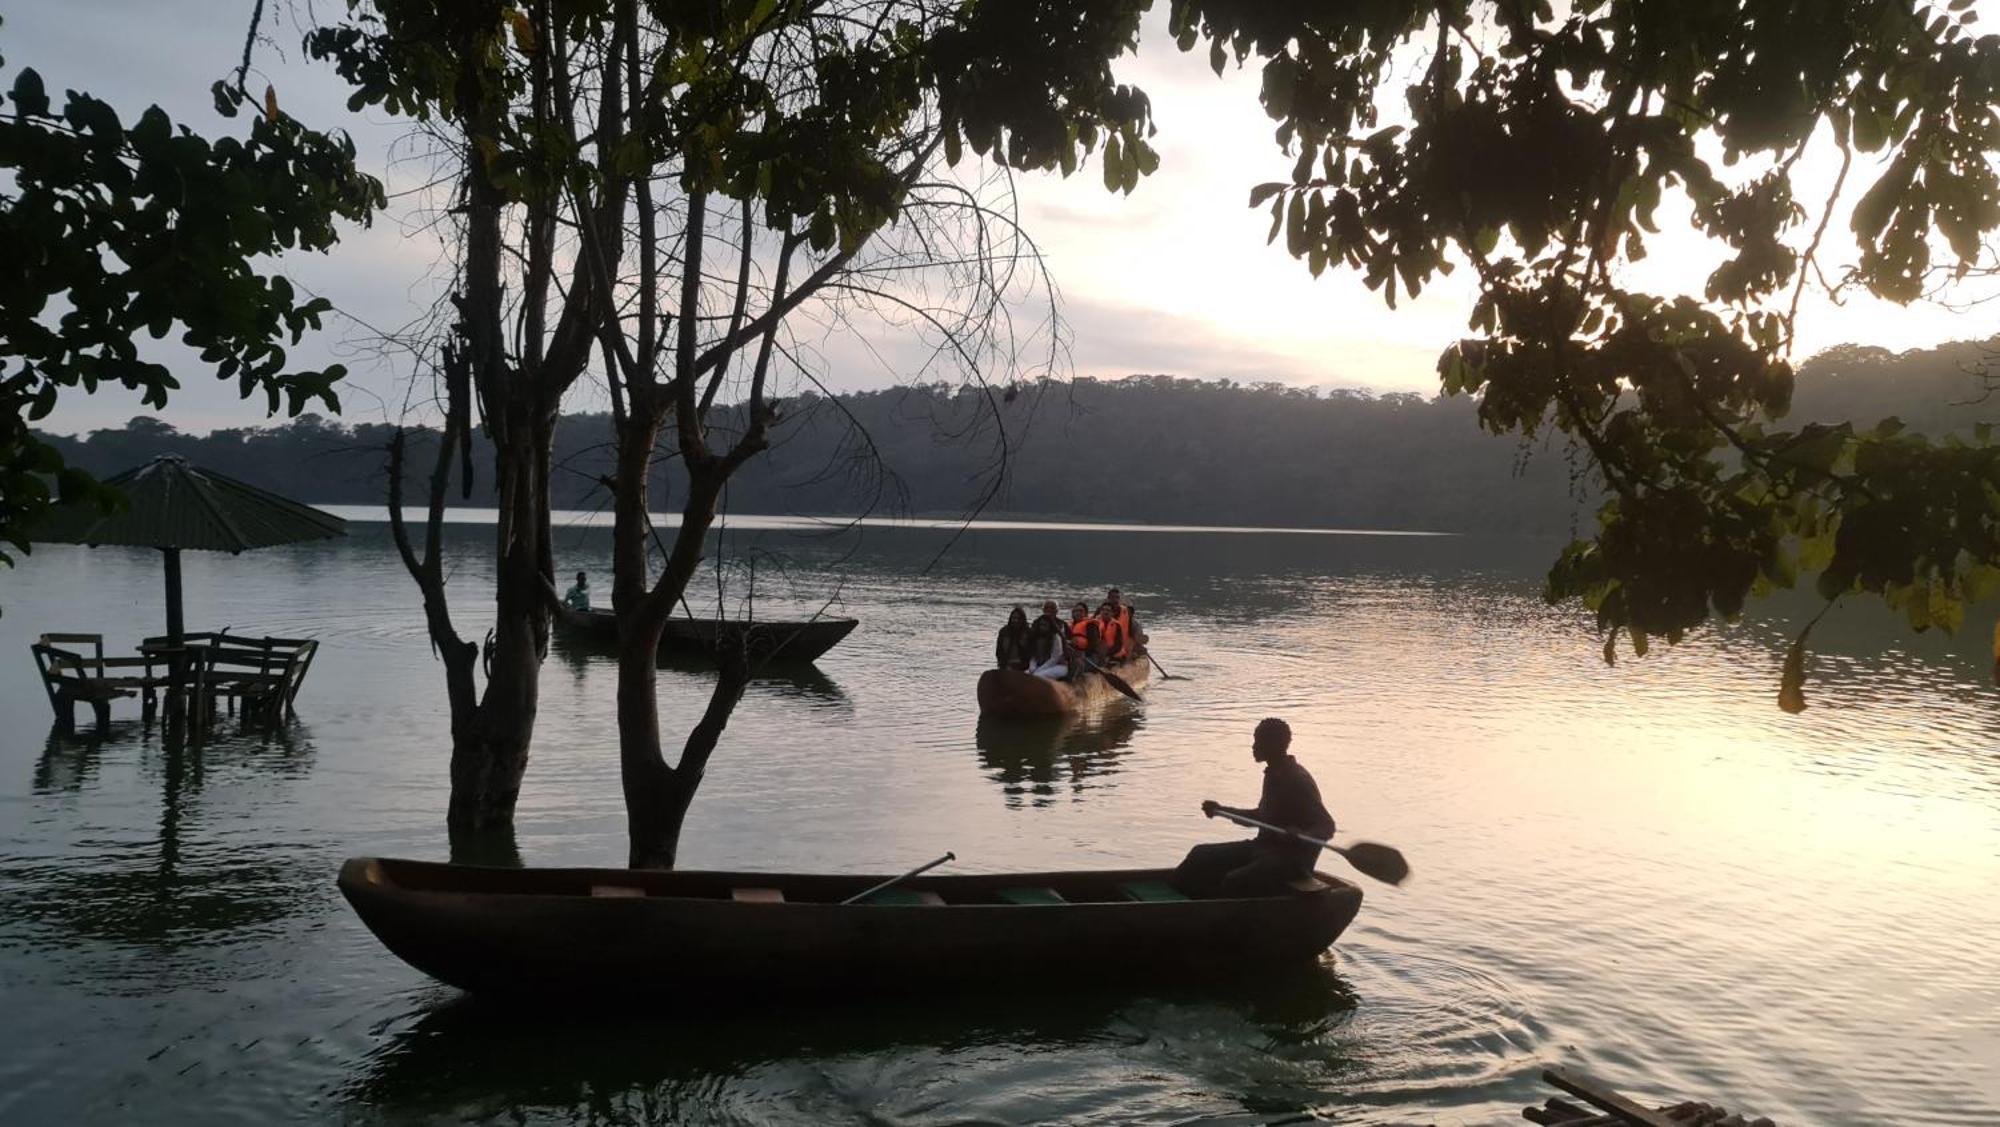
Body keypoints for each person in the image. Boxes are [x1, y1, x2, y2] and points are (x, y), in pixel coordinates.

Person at [1173, 718, 1335, 898]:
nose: (1253, 746)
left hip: (1289, 860)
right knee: (1200, 854)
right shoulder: (1273, 774)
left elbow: (1326, 826)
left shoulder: (1298, 779)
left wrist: (1304, 836)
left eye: (1259, 741)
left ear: (1274, 744)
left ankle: (1216, 916)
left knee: (1234, 880)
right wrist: (1222, 810)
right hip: (1263, 848)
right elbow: (1261, 817)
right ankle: (1174, 900)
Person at [1099, 587, 1142, 662]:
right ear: (1108, 598)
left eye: (1117, 598)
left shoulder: (1129, 618)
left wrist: (1137, 646)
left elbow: (1134, 635)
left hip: (1121, 650)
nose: (1115, 600)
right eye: (1113, 598)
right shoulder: (1100, 613)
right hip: (1104, 650)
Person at [1026, 614, 1067, 680]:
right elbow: (1033, 657)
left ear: (1050, 626)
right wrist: (1032, 667)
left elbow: (1054, 659)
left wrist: (1039, 669)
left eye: (1045, 625)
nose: (1042, 627)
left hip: (1058, 666)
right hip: (1040, 666)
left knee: (1038, 676)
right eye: (1041, 625)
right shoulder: (1036, 637)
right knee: (1024, 675)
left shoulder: (1056, 637)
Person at [994, 605, 1031, 671]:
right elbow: (999, 651)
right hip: (1006, 664)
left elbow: (1030, 653)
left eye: (1018, 618)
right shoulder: (1003, 631)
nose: (1016, 620)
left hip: (1023, 665)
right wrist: (1003, 664)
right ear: (1010, 618)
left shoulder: (1028, 632)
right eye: (1014, 618)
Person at [1066, 602, 1100, 674]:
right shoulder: (1069, 627)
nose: (1078, 613)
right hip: (1074, 655)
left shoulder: (1090, 625)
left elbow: (1093, 645)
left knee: (1077, 665)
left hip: (1090, 657)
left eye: (1081, 611)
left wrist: (1082, 653)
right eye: (1075, 611)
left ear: (1086, 613)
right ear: (1072, 614)